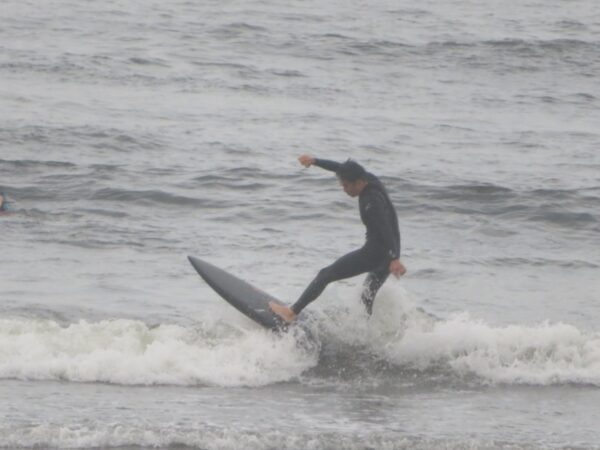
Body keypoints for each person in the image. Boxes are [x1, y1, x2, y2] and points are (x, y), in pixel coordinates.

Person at [269, 155, 406, 323]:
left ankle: (291, 312)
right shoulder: (369, 179)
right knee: (366, 297)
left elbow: (385, 228)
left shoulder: (371, 202)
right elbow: (340, 168)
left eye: (346, 186)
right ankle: (365, 337)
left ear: (357, 182)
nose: (344, 189)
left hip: (378, 252)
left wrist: (394, 259)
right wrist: (315, 161)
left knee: (326, 274)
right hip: (390, 250)